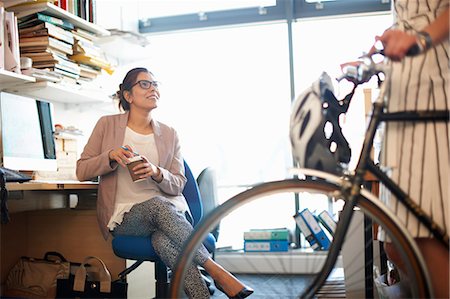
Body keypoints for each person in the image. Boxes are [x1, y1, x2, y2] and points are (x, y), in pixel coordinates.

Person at [76, 67, 254, 299]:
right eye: (144, 84)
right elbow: (81, 170)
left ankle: (203, 296)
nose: (153, 89)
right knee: (156, 205)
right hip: (127, 217)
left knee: (163, 241)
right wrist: (109, 155)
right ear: (128, 96)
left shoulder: (170, 134)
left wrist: (156, 172)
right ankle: (215, 270)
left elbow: (178, 184)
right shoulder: (106, 125)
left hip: (172, 214)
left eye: (155, 84)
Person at [372, 1, 449, 298]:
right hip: (405, 93)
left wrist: (420, 39)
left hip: (434, 91)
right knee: (395, 242)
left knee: (425, 240)